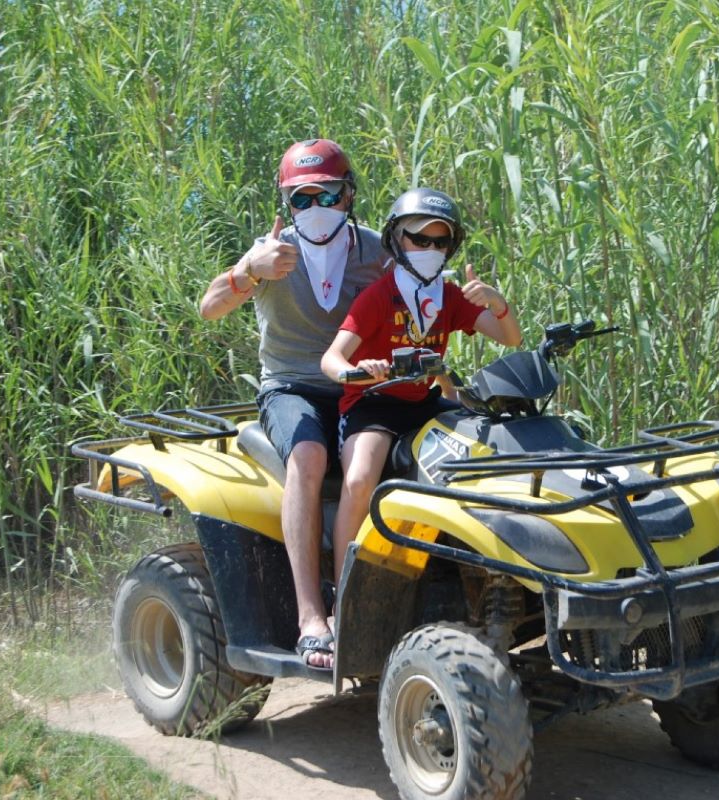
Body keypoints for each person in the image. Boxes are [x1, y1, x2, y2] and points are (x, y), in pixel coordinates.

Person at [199, 139, 388, 671]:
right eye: (301, 198)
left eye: (326, 194)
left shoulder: (376, 251)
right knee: (308, 455)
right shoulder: (270, 251)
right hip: (291, 387)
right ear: (286, 204)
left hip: (361, 387)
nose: (315, 207)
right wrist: (250, 272)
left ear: (348, 195)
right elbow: (209, 306)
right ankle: (311, 616)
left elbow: (421, 302)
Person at [320, 188, 522, 585]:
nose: (430, 248)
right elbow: (331, 358)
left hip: (422, 402)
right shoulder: (379, 296)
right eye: (419, 238)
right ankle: (343, 589)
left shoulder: (450, 296)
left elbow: (510, 337)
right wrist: (358, 371)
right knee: (359, 480)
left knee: (492, 445)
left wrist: (497, 303)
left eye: (440, 241)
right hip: (372, 404)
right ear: (397, 240)